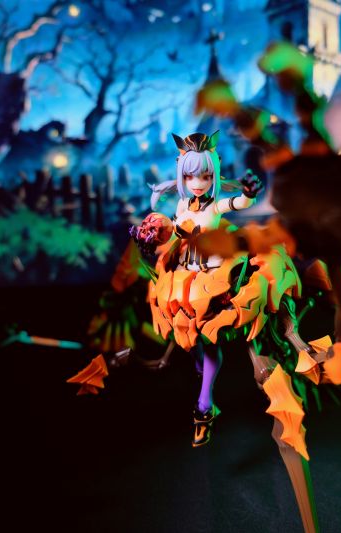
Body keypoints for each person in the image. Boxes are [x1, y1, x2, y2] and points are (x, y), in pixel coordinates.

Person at [131, 130, 263, 447]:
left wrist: (248, 194)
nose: (197, 183)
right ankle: (200, 368)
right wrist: (150, 238)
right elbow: (173, 233)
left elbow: (237, 202)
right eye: (190, 176)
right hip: (184, 275)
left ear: (213, 175)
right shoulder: (182, 205)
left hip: (212, 277)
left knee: (207, 336)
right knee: (185, 333)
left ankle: (204, 404)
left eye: (204, 175)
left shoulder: (213, 206)